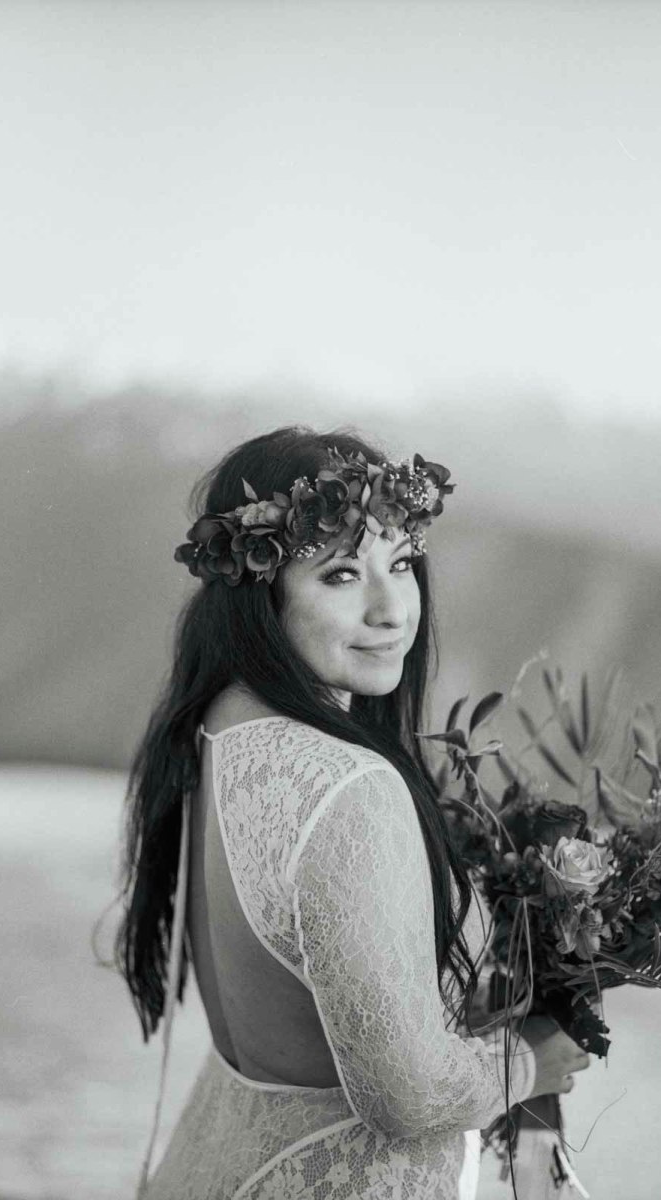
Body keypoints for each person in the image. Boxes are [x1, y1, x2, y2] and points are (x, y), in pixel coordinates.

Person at [117, 426, 590, 1199]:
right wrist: (534, 1060)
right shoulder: (349, 787)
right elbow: (405, 1099)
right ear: (259, 592)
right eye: (339, 574)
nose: (391, 610)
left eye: (400, 564)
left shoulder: (213, 735)